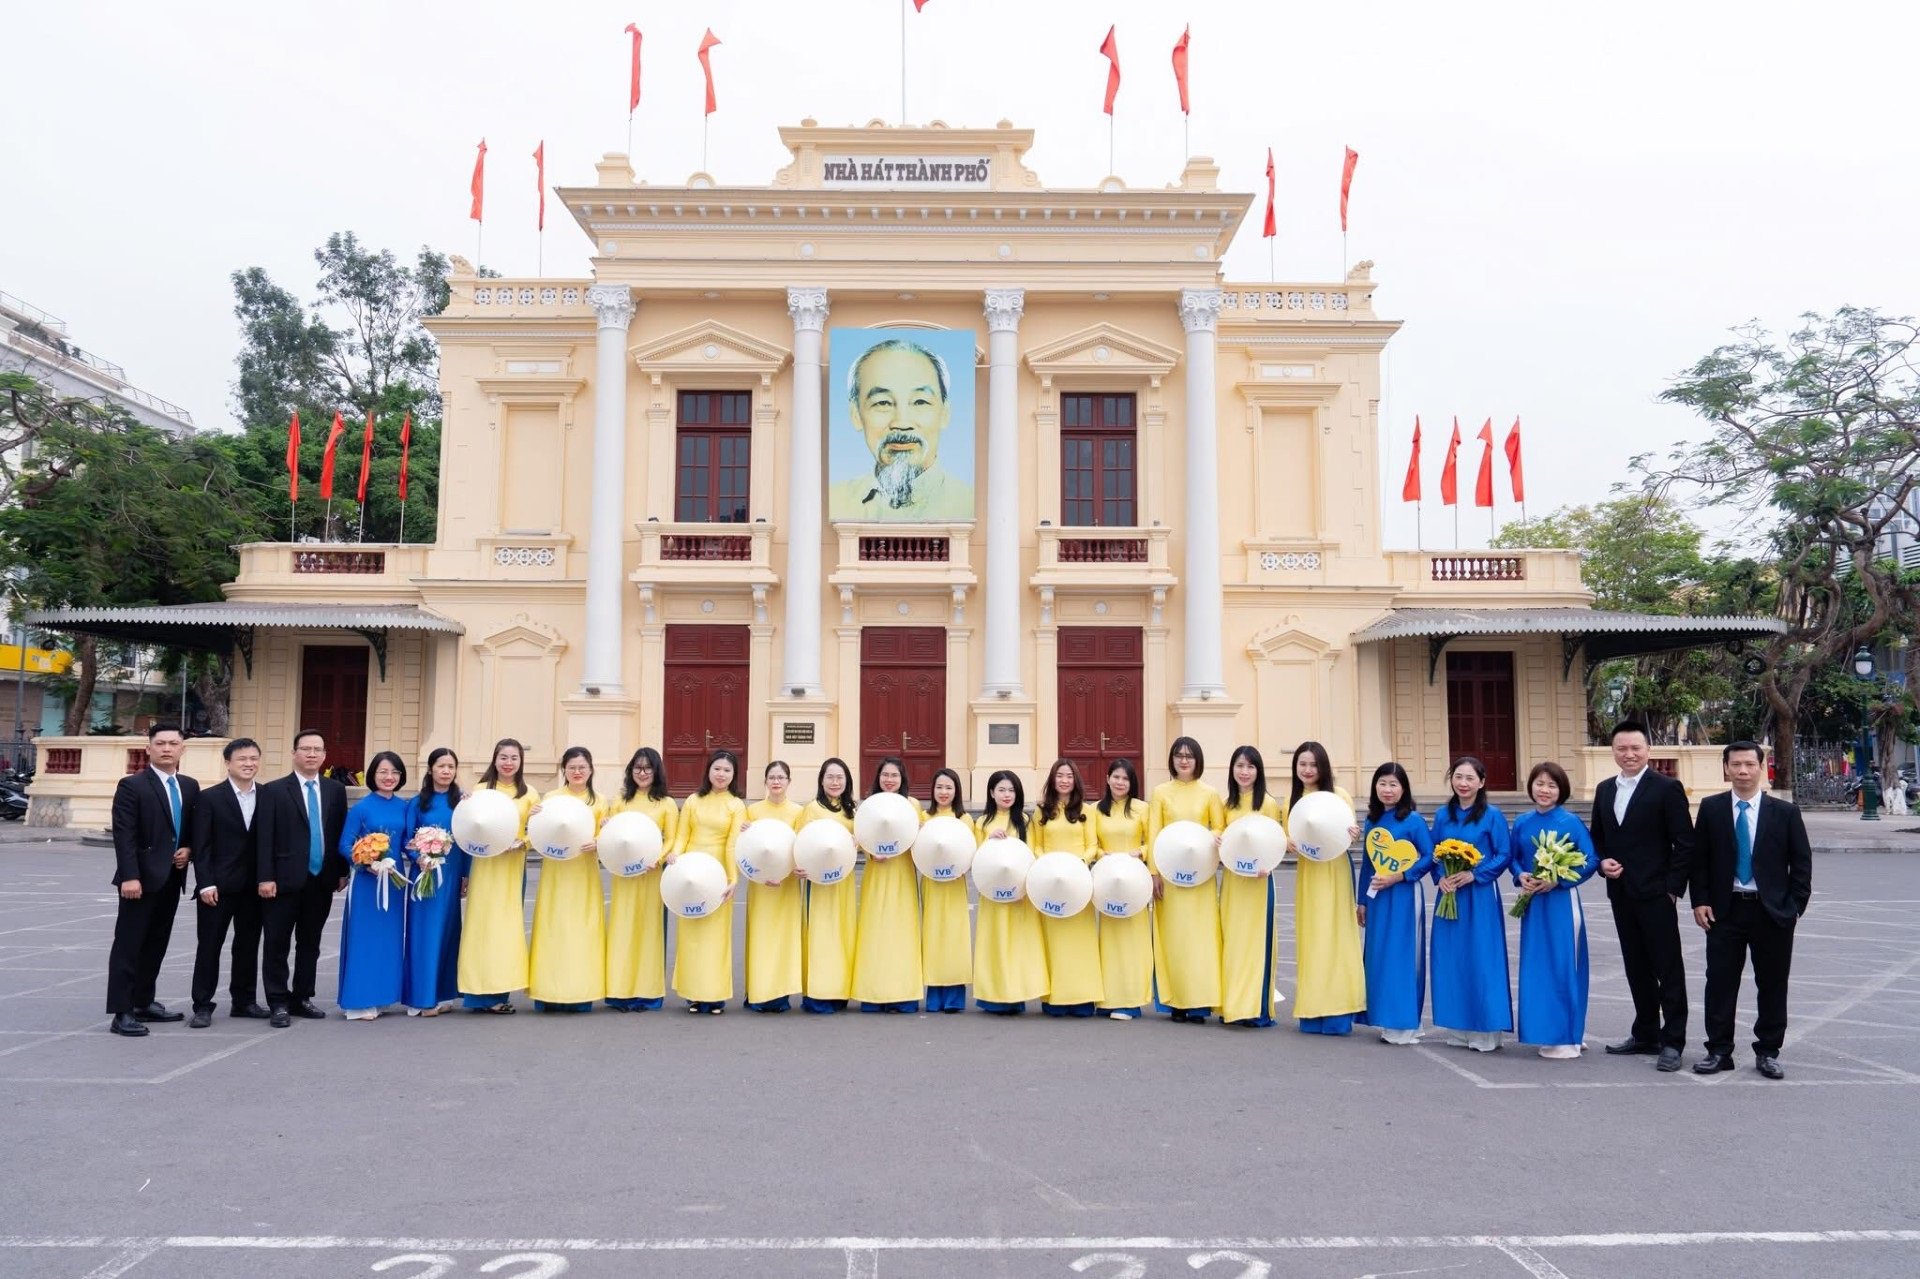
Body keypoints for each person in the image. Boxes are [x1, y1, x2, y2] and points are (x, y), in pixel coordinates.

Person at [1690, 742, 1813, 1080]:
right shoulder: (1712, 808)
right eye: (1735, 764)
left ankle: (1768, 1051)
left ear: (1761, 767)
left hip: (1771, 912)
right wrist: (1699, 900)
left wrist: (1794, 907)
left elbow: (1801, 863)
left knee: (1772, 984)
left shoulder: (1785, 812)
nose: (1742, 771)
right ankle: (1719, 1051)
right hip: (1724, 910)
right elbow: (1699, 861)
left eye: (1749, 764)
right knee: (1719, 982)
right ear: (1726, 768)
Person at [1590, 720, 1696, 1071]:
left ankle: (1673, 1041)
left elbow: (1685, 842)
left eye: (1636, 748)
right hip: (1621, 893)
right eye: (1622, 748)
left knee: (1668, 969)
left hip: (1656, 894)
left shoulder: (1667, 788)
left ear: (1648, 750)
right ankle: (1646, 1032)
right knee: (1636, 966)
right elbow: (1598, 837)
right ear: (1613, 751)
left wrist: (1673, 890)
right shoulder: (1605, 789)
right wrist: (1601, 862)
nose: (1629, 754)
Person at [105, 721, 199, 1037]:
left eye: (173, 743)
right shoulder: (132, 786)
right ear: (148, 749)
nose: (167, 748)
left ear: (182, 749)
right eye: (160, 743)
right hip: (139, 881)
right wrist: (130, 876)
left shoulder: (189, 786)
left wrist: (188, 849)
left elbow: (189, 830)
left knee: (156, 944)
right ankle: (122, 1012)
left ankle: (143, 1001)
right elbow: (124, 835)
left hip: (171, 878)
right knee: (129, 945)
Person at [255, 729, 348, 1028]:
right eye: (306, 749)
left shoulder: (335, 790)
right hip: (282, 881)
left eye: (317, 749)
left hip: (321, 880)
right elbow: (264, 837)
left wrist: (341, 871)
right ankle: (278, 1002)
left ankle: (302, 996)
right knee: (277, 944)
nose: (311, 754)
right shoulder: (273, 790)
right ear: (294, 753)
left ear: (324, 755)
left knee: (310, 943)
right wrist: (265, 877)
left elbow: (338, 832)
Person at [827, 337, 974, 522]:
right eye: (883, 402)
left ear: (945, 413)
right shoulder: (836, 501)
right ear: (856, 415)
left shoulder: (968, 503)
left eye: (920, 401)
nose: (902, 423)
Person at [1510, 762, 1598, 1059]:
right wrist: (1521, 875)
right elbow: (1513, 858)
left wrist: (1557, 880)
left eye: (1551, 785)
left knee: (1564, 964)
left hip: (1561, 903)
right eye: (1539, 783)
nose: (1544, 790)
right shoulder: (1522, 822)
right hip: (1533, 903)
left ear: (1561, 790)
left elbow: (1590, 860)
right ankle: (1545, 1030)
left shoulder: (1570, 822)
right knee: (1537, 967)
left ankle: (1568, 1035)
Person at [1428, 755, 1512, 1052]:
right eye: (1458, 777)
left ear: (1482, 782)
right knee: (1452, 958)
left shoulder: (1492, 815)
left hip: (1480, 896)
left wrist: (1474, 874)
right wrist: (1440, 877)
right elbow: (1432, 853)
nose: (1463, 783)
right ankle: (1459, 1026)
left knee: (1482, 958)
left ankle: (1486, 1029)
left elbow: (1504, 854)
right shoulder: (1443, 815)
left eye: (1470, 778)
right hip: (1449, 893)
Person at [186, 736, 268, 1028]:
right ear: (228, 763)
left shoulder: (268, 795)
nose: (249, 764)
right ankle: (202, 1005)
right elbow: (202, 845)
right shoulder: (209, 798)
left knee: (247, 945)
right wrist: (206, 883)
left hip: (254, 887)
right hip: (217, 887)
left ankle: (244, 1001)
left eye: (254, 758)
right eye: (242, 759)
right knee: (209, 946)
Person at [1285, 741, 1365, 1035]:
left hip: (1335, 871)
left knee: (1336, 937)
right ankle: (1312, 1011)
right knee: (1313, 939)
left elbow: (1349, 834)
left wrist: (1354, 834)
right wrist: (1286, 842)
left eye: (1313, 764)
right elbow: (1287, 836)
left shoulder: (1339, 796)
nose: (1308, 770)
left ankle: (1338, 1012)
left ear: (1324, 767)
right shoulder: (1293, 799)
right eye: (1302, 764)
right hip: (1309, 874)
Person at [1146, 736, 1225, 1024]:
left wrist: (1210, 836)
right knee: (1175, 938)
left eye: (1189, 756)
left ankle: (1199, 1002)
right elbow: (1154, 833)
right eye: (1179, 755)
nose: (1183, 760)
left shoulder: (1209, 793)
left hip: (1200, 876)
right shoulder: (1160, 792)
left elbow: (1219, 828)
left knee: (1201, 939)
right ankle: (1177, 1001)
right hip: (1171, 876)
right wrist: (1154, 872)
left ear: (1198, 760)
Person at [1356, 762, 1434, 1045]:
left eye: (1393, 784)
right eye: (1382, 783)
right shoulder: (1372, 821)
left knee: (1402, 955)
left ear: (1404, 789)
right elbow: (1368, 864)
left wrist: (1401, 876)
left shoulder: (1413, 821)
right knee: (1379, 956)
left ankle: (1404, 1023)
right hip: (1378, 897)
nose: (1387, 790)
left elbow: (1429, 856)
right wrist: (1362, 901)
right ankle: (1385, 1017)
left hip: (1404, 895)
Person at [458, 738, 538, 1014]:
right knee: (480, 927)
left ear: (521, 761)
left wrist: (523, 842)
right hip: (484, 868)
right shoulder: (480, 791)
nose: (508, 763)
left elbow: (537, 831)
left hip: (512, 869)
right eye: (503, 757)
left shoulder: (529, 795)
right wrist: (464, 806)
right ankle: (476, 993)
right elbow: (466, 827)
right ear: (494, 759)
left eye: (514, 758)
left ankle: (499, 992)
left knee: (505, 929)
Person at [527, 747, 610, 1012]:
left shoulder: (599, 801)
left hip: (583, 872)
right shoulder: (551, 799)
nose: (577, 772)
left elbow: (605, 836)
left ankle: (580, 993)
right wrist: (532, 820)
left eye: (582, 767)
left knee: (582, 931)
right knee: (553, 928)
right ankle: (548, 993)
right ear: (564, 770)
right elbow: (538, 833)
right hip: (556, 872)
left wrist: (599, 840)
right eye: (572, 767)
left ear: (591, 770)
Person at [668, 749, 746, 1013]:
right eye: (717, 768)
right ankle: (692, 994)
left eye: (727, 770)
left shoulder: (736, 805)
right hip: (690, 872)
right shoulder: (693, 800)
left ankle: (714, 996)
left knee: (715, 937)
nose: (721, 774)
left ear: (733, 775)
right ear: (708, 771)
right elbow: (682, 835)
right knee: (691, 933)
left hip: (718, 874)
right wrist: (675, 855)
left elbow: (733, 844)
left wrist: (732, 878)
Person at [336, 751, 412, 1020]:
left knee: (389, 939)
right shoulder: (362, 808)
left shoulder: (404, 807)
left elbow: (407, 842)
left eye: (394, 772)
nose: (389, 777)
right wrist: (364, 862)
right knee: (364, 938)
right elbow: (345, 844)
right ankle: (359, 1001)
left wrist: (425, 856)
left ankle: (381, 996)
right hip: (368, 883)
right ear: (372, 775)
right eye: (383, 772)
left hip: (395, 880)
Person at [605, 747, 676, 1011]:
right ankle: (619, 991)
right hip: (624, 875)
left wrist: (658, 858)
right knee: (622, 929)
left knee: (648, 931)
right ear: (630, 771)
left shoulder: (666, 804)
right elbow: (612, 835)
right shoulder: (620, 802)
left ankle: (647, 992)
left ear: (656, 771)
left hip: (651, 875)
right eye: (637, 768)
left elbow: (672, 838)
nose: (642, 773)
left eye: (648, 768)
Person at [1030, 758, 1102, 1017]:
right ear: (1052, 779)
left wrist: (1080, 862)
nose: (1064, 780)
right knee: (1054, 941)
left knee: (1080, 941)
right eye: (1059, 775)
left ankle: (1082, 998)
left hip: (1078, 881)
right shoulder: (1041, 810)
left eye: (1069, 776)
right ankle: (1055, 999)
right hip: (1050, 882)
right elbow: (1036, 845)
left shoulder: (1086, 810)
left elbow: (1092, 845)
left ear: (1075, 780)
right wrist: (1046, 863)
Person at [851, 757, 923, 1012]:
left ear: (902, 779)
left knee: (902, 933)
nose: (889, 780)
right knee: (875, 930)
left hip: (902, 873)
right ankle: (872, 994)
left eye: (894, 775)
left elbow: (919, 841)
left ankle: (903, 995)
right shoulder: (869, 805)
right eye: (885, 775)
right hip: (877, 874)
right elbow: (860, 837)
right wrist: (870, 853)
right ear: (878, 777)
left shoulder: (912, 805)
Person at [973, 770, 1048, 1014]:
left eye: (1012, 790)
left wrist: (1025, 888)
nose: (1007, 795)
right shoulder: (982, 823)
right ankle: (993, 996)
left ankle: (1015, 995)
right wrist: (989, 840)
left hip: (1019, 894)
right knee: (994, 941)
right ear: (991, 793)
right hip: (992, 893)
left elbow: (1031, 853)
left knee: (1017, 944)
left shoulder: (1024, 821)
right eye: (1002, 790)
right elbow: (976, 857)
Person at [1219, 745, 1282, 1028]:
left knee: (1256, 945)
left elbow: (1277, 840)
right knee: (1233, 943)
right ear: (1232, 770)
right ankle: (1233, 1007)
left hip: (1258, 883)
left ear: (1259, 771)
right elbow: (1222, 839)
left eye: (1250, 766)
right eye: (1239, 766)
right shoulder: (1227, 805)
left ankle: (1255, 1009)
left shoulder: (1267, 804)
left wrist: (1268, 864)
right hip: (1233, 883)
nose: (1244, 772)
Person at [402, 747, 466, 1016]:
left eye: (451, 767)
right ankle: (422, 997)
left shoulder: (462, 803)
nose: (446, 771)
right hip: (425, 874)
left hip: (451, 875)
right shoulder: (418, 803)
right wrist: (419, 857)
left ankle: (444, 993)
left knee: (448, 932)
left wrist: (466, 874)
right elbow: (407, 838)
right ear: (430, 769)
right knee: (424, 934)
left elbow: (467, 840)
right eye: (441, 766)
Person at [794, 758, 858, 1013]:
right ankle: (817, 994)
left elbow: (861, 841)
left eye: (840, 777)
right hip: (818, 882)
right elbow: (798, 842)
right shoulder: (812, 809)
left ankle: (839, 992)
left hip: (843, 881)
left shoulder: (851, 809)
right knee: (820, 935)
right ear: (821, 780)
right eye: (830, 777)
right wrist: (798, 866)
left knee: (842, 932)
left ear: (847, 781)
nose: (835, 782)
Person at [1092, 759, 1152, 1021]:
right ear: (1107, 779)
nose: (1120, 782)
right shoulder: (1096, 810)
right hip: (1108, 881)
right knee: (1109, 940)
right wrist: (1101, 854)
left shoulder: (1142, 808)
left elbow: (1153, 841)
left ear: (1132, 782)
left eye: (1125, 778)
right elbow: (1090, 843)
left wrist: (1141, 852)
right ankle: (1108, 999)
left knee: (1133, 940)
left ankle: (1130, 1001)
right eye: (1116, 777)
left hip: (1134, 880)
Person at [743, 760, 805, 1013]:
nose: (776, 782)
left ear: (789, 782)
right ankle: (757, 993)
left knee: (784, 938)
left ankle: (780, 994)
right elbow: (745, 849)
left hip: (786, 885)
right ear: (765, 782)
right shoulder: (753, 811)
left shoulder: (798, 812)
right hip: (761, 885)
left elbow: (800, 847)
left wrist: (791, 870)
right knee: (761, 937)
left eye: (781, 777)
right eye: (772, 777)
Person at [921, 767, 973, 1012]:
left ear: (956, 791)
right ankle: (934, 995)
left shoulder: (964, 819)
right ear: (933, 790)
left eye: (949, 787)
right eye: (939, 787)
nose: (944, 792)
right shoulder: (924, 817)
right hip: (932, 884)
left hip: (954, 884)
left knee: (954, 937)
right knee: (933, 935)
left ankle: (954, 997)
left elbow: (971, 850)